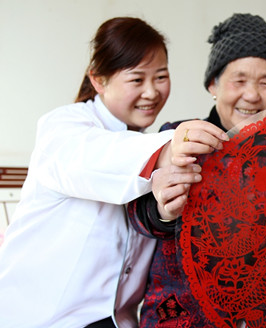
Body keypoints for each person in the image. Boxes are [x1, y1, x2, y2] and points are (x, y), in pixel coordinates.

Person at [0, 17, 225, 328]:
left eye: (160, 77)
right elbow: (95, 156)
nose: (151, 92)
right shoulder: (63, 127)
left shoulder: (146, 143)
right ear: (98, 81)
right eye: (136, 80)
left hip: (116, 321)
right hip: (44, 316)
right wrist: (168, 147)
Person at [127, 13, 266, 327]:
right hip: (178, 312)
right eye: (239, 81)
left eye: (265, 82)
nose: (252, 95)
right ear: (213, 84)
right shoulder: (180, 137)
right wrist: (163, 210)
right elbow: (138, 216)